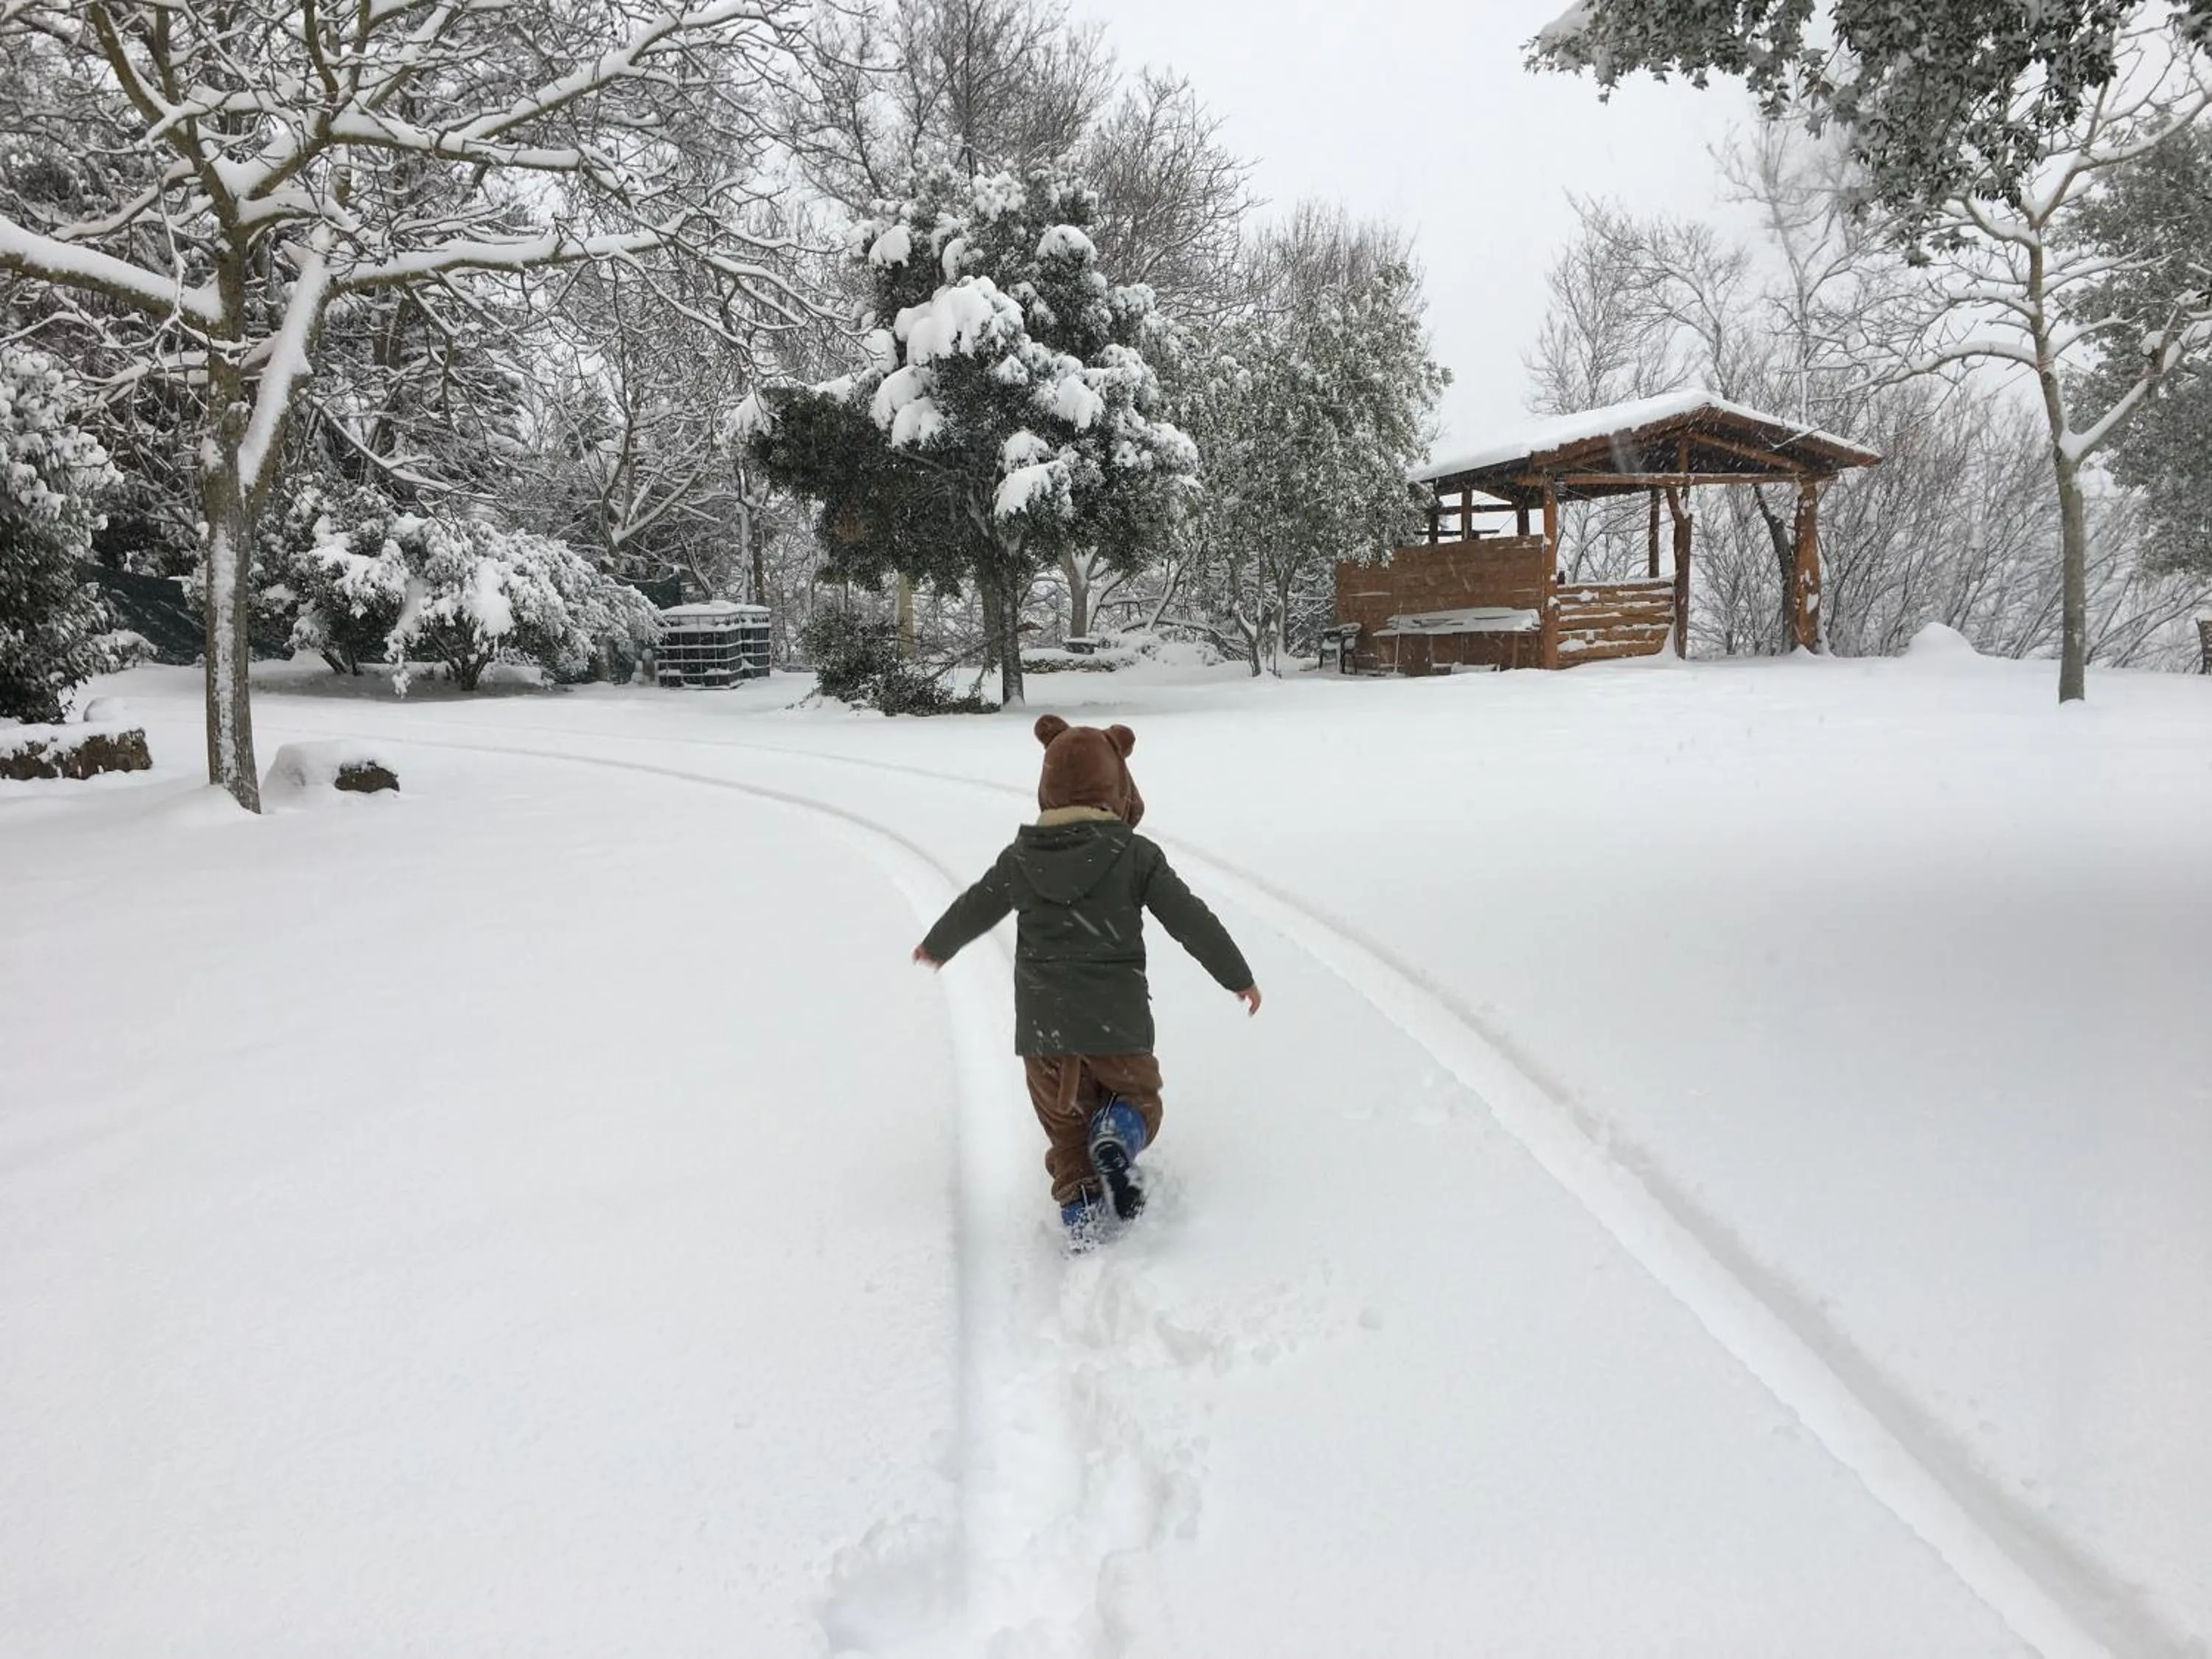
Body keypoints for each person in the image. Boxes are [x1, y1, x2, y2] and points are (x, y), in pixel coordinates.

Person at [914, 714, 1262, 1245]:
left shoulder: (1021, 858)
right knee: (1140, 1100)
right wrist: (1237, 976)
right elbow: (1190, 918)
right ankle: (1119, 1133)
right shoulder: (1135, 855)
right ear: (1117, 783)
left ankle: (1083, 1222)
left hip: (1045, 1028)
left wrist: (937, 945)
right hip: (1116, 1023)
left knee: (1066, 1135)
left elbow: (976, 906)